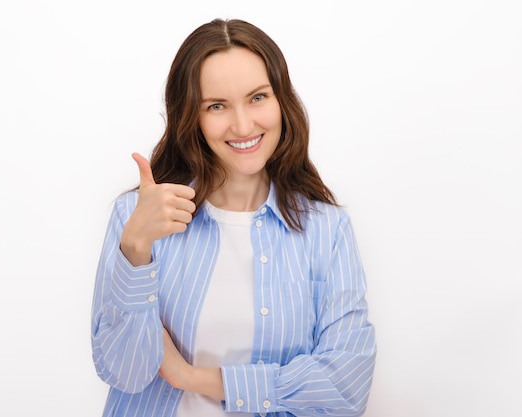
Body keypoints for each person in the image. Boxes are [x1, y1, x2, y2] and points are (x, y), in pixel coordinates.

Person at [91, 18, 376, 417]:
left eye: (258, 97)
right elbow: (124, 374)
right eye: (217, 106)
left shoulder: (326, 230)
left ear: (282, 101)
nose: (243, 125)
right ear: (192, 116)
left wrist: (188, 375)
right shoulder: (137, 217)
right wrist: (135, 248)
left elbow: (346, 386)